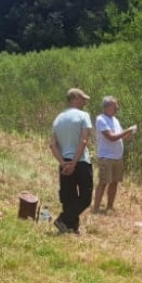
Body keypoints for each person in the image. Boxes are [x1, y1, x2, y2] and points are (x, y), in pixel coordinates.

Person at [49, 88, 93, 234]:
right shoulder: (83, 116)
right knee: (85, 198)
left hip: (64, 162)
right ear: (75, 98)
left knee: (69, 197)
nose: (84, 102)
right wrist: (74, 163)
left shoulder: (58, 119)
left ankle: (72, 227)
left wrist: (63, 163)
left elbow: (52, 144)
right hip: (80, 161)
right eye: (83, 99)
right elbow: (84, 140)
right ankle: (63, 220)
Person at [92, 96, 136, 215]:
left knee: (114, 182)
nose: (117, 108)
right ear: (107, 106)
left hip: (117, 157)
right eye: (115, 105)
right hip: (106, 157)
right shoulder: (101, 119)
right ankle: (96, 209)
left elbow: (120, 135)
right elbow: (111, 137)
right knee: (103, 182)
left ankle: (110, 207)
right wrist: (127, 130)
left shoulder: (115, 120)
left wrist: (129, 134)